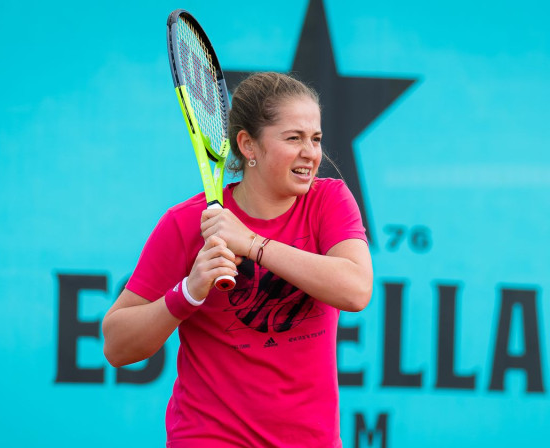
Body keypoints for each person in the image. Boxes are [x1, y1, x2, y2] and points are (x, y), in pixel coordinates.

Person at [102, 71, 373, 448]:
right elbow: (117, 345)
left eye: (315, 139)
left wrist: (252, 244)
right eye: (293, 138)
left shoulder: (330, 200)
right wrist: (188, 293)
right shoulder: (185, 224)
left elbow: (356, 290)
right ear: (248, 145)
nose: (311, 153)